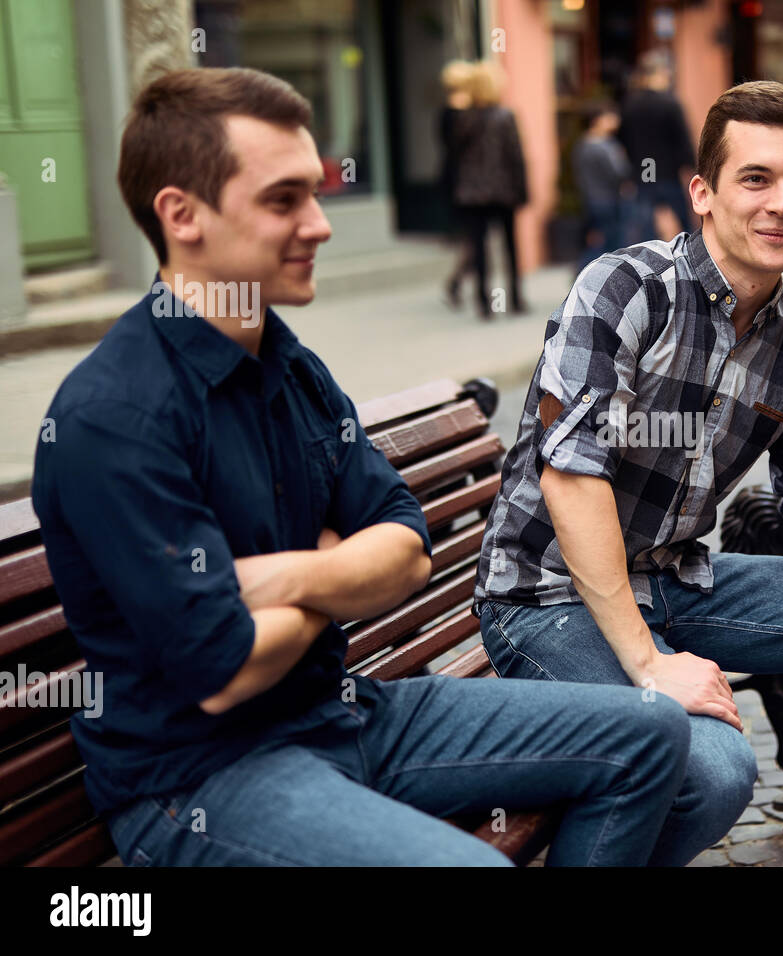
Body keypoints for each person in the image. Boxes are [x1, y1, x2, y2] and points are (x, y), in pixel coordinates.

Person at [30, 67, 692, 867]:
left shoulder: (288, 362)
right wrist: (337, 567)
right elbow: (225, 668)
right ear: (182, 215)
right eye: (284, 200)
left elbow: (407, 549)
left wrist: (287, 578)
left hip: (343, 714)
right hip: (203, 780)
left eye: (316, 192)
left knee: (652, 731)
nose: (320, 224)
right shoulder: (115, 416)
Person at [475, 80, 783, 867]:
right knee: (712, 768)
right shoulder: (625, 290)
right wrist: (648, 664)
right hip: (545, 595)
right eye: (756, 179)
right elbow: (571, 479)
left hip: (673, 580)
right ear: (702, 193)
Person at [452, 61, 529, 319]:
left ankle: (484, 303)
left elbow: (455, 155)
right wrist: (522, 190)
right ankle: (516, 298)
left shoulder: (464, 118)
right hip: (502, 191)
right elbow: (515, 157)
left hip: (473, 193)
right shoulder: (504, 116)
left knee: (480, 247)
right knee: (509, 246)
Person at [619, 50, 697, 241]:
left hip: (646, 171)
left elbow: (623, 140)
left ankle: (648, 262)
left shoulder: (631, 104)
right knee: (685, 222)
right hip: (668, 172)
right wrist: (692, 167)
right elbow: (683, 139)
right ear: (661, 73)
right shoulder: (670, 103)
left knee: (645, 224)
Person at [572, 100, 636, 273]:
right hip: (609, 199)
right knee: (611, 243)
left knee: (596, 241)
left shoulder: (582, 145)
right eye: (610, 116)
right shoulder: (606, 146)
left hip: (591, 200)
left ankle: (583, 273)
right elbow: (620, 172)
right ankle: (592, 273)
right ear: (598, 119)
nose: (615, 120)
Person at [436, 60, 475, 308]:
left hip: (460, 179)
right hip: (464, 181)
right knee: (472, 238)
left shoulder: (448, 112)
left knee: (472, 238)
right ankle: (455, 282)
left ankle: (459, 282)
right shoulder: (460, 113)